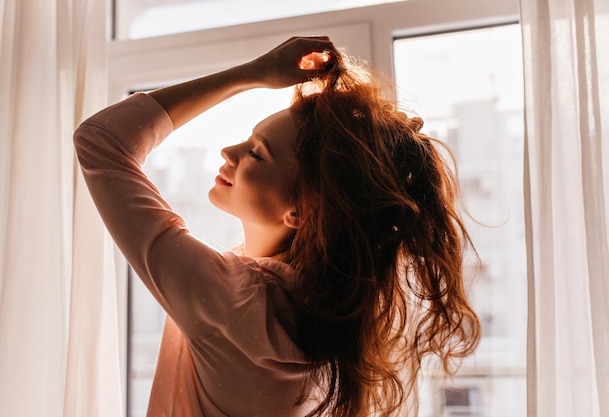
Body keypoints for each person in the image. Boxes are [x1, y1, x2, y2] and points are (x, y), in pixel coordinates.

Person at [74, 36, 480, 417]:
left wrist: (251, 73)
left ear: (301, 211)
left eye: (257, 153)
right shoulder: (325, 311)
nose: (228, 151)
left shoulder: (234, 297)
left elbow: (102, 141)